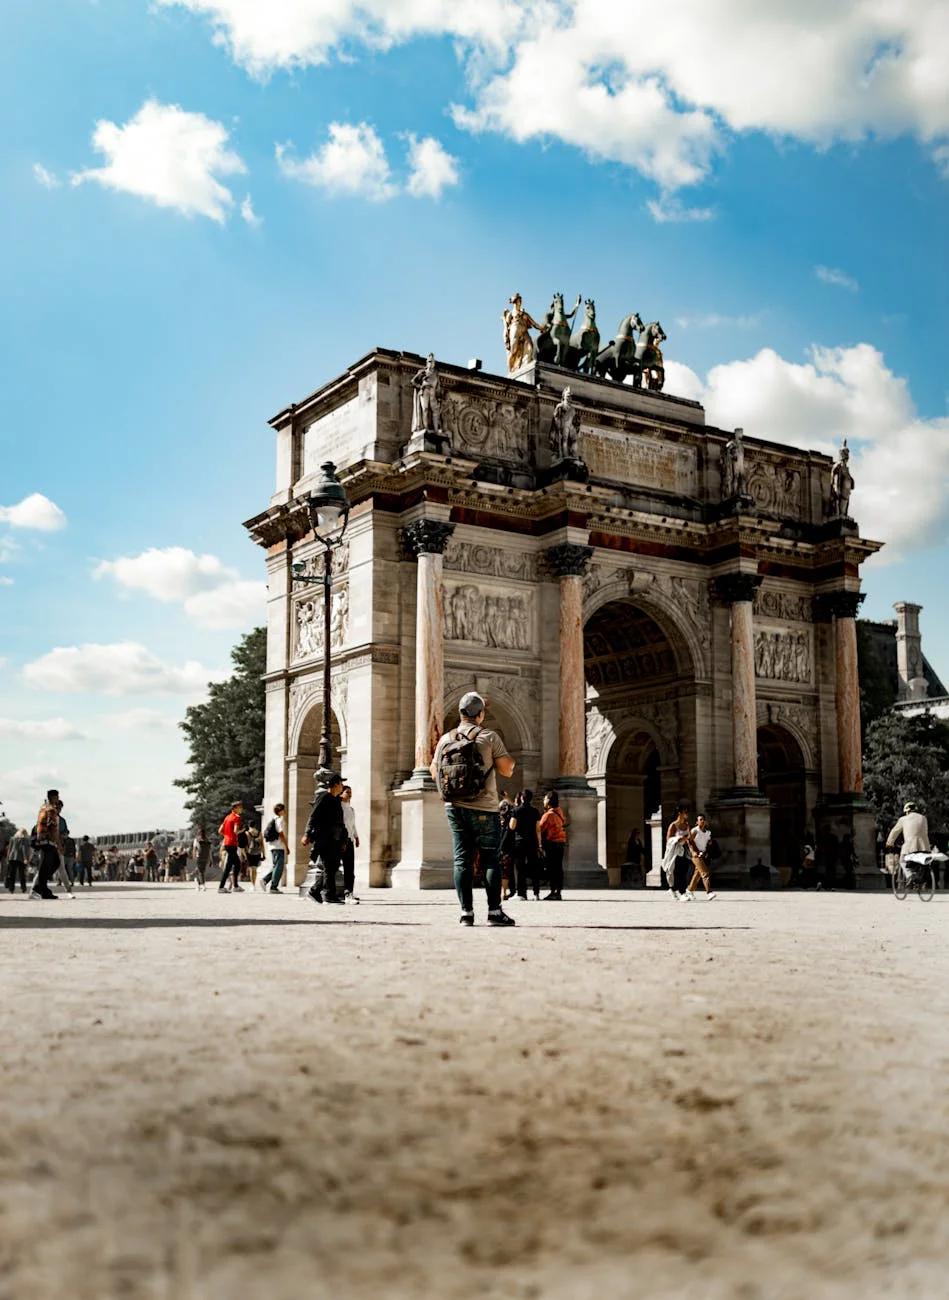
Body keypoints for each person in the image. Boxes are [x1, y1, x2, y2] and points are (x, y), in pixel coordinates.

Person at [431, 690, 516, 927]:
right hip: (485, 808)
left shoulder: (446, 739)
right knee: (490, 859)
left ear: (460, 713)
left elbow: (433, 770)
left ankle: (466, 913)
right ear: (480, 714)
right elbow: (507, 769)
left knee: (462, 860)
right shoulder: (488, 736)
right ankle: (494, 912)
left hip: (454, 808)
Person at [304, 773, 347, 905]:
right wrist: (306, 834)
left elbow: (341, 822)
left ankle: (315, 891)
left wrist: (343, 840)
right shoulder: (324, 797)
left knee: (332, 867)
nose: (343, 786)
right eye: (341, 783)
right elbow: (314, 815)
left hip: (336, 838)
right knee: (329, 866)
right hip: (326, 838)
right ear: (335, 785)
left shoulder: (335, 800)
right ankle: (328, 895)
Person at [509, 789, 542, 900]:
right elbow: (538, 829)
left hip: (520, 842)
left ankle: (522, 893)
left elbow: (512, 826)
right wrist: (540, 845)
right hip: (532, 842)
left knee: (520, 868)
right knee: (534, 867)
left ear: (522, 798)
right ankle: (536, 893)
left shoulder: (516, 811)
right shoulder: (535, 811)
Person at [31, 788, 62, 899]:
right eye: (57, 797)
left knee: (50, 864)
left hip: (42, 840)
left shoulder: (43, 807)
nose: (58, 799)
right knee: (49, 865)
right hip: (48, 841)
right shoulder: (51, 810)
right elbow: (53, 829)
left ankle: (42, 888)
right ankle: (39, 888)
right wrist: (59, 845)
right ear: (53, 797)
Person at [538, 790, 567, 900]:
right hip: (561, 842)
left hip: (552, 843)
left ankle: (553, 891)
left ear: (549, 801)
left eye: (545, 798)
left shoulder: (548, 815)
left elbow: (539, 829)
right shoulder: (559, 811)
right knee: (558, 868)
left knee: (552, 868)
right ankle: (558, 891)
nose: (543, 800)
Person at [682, 813, 716, 901]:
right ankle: (709, 892)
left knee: (697, 875)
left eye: (703, 819)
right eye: (700, 819)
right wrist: (693, 852)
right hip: (696, 855)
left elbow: (709, 843)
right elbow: (689, 842)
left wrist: (709, 844)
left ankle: (689, 891)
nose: (702, 821)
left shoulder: (708, 832)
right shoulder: (695, 831)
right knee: (705, 873)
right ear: (697, 822)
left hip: (703, 854)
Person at [661, 806, 692, 899]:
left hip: (685, 851)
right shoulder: (673, 825)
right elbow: (668, 840)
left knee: (684, 871)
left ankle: (675, 890)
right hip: (675, 852)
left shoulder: (687, 825)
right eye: (685, 812)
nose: (687, 814)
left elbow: (690, 839)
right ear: (680, 813)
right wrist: (678, 839)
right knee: (678, 871)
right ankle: (682, 892)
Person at [259, 804, 289, 893]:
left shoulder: (274, 819)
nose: (285, 811)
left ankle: (265, 880)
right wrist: (286, 846)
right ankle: (273, 887)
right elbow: (281, 833)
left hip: (273, 846)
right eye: (284, 809)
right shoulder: (279, 820)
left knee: (277, 866)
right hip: (278, 846)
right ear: (280, 811)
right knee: (279, 866)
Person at [218, 801, 245, 893]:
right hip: (232, 843)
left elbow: (220, 830)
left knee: (236, 864)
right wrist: (243, 830)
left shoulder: (227, 817)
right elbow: (235, 831)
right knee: (229, 867)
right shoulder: (237, 818)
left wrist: (226, 836)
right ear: (235, 808)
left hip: (227, 843)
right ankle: (222, 887)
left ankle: (235, 886)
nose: (241, 809)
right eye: (240, 807)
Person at [340, 785, 360, 903]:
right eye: (347, 792)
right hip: (341, 841)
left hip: (350, 841)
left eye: (351, 792)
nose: (350, 794)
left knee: (349, 868)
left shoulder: (351, 809)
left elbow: (352, 825)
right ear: (341, 794)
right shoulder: (339, 808)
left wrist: (356, 837)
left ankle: (349, 892)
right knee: (332, 868)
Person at [5, 828, 31, 894]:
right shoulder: (25, 839)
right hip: (21, 859)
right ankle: (23, 888)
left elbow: (9, 849)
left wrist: (8, 858)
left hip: (12, 858)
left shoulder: (12, 838)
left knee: (12, 874)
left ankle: (11, 889)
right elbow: (24, 849)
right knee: (22, 874)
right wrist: (26, 859)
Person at [192, 826, 211, 891]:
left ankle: (202, 885)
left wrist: (194, 857)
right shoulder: (207, 840)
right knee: (202, 871)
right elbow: (209, 850)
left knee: (200, 872)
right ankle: (198, 885)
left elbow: (194, 849)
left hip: (199, 857)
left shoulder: (196, 839)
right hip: (205, 857)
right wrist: (211, 859)